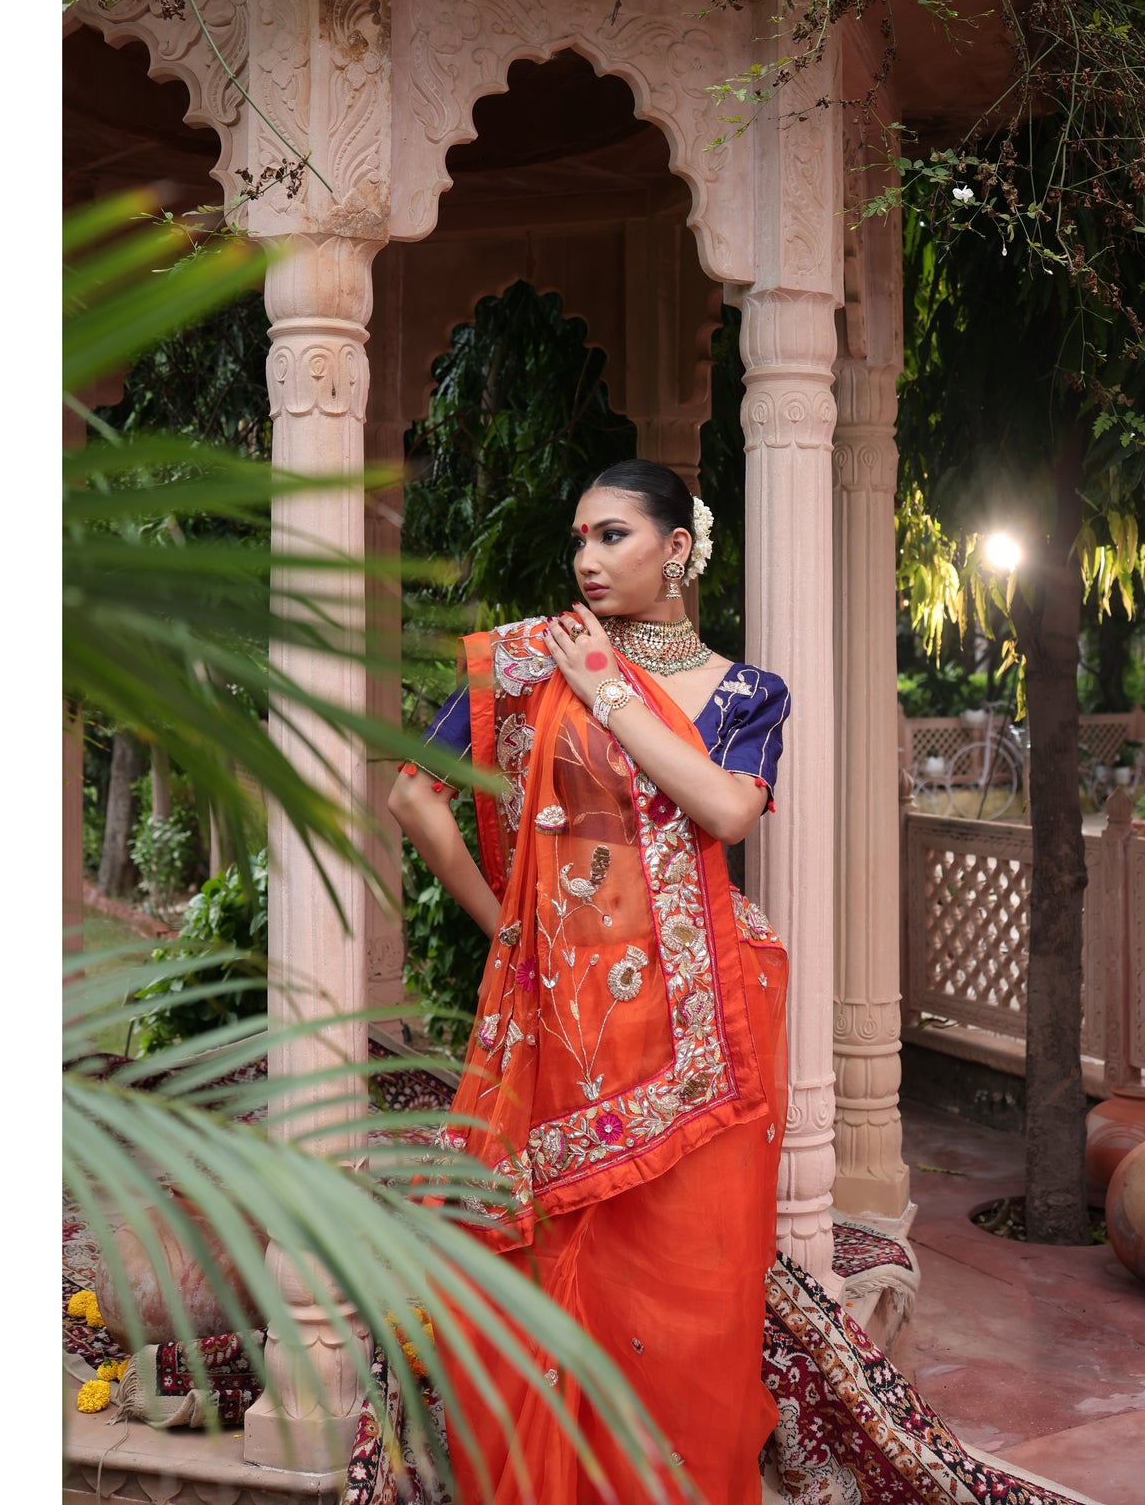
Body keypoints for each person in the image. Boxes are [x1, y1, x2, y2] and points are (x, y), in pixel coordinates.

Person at [389, 458, 791, 1505]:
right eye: (579, 539)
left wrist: (611, 693)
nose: (587, 558)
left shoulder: (747, 691)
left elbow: (725, 809)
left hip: (710, 1028)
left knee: (700, 1287)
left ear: (677, 549)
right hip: (571, 1032)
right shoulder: (530, 664)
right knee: (561, 1273)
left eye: (612, 535)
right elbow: (413, 798)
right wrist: (514, 936)